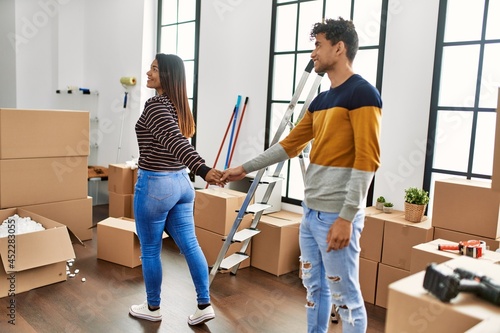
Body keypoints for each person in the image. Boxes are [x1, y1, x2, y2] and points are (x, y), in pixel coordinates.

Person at [222, 18, 382, 333]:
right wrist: (243, 168)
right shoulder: (321, 101)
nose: (313, 53)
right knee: (314, 290)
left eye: (318, 45)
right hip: (310, 215)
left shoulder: (363, 94)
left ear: (339, 48)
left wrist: (347, 218)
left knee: (345, 296)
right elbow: (289, 145)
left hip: (337, 215)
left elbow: (368, 159)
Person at [129, 53, 224, 325]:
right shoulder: (179, 106)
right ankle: (204, 304)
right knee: (190, 244)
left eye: (155, 69)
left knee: (149, 249)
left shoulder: (156, 105)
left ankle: (153, 308)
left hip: (156, 186)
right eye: (150, 67)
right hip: (182, 185)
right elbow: (177, 143)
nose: (148, 73)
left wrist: (203, 169)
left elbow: (175, 143)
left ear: (168, 75)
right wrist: (199, 170)